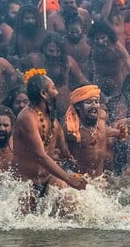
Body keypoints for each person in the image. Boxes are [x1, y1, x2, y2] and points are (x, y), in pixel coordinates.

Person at [13, 71, 87, 212]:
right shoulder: (27, 117)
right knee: (26, 226)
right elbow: (40, 156)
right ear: (43, 94)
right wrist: (68, 178)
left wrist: (65, 152)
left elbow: (58, 133)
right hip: (26, 182)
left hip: (48, 177)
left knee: (69, 204)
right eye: (53, 88)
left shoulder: (49, 113)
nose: (57, 92)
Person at [21, 33, 89, 118]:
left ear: (62, 51)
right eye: (51, 51)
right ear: (44, 49)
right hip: (40, 108)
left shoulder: (68, 62)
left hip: (63, 110)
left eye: (58, 51)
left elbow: (82, 81)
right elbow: (19, 73)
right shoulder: (34, 59)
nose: (54, 55)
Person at [65, 85, 126, 178]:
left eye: (96, 102)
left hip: (100, 180)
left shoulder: (102, 117)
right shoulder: (70, 128)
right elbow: (56, 151)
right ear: (78, 106)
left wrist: (118, 133)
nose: (94, 105)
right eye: (89, 102)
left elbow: (103, 131)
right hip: (81, 181)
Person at [89, 20, 130, 97]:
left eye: (103, 38)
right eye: (97, 39)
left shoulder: (117, 47)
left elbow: (128, 62)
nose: (100, 41)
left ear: (109, 35)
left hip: (117, 86)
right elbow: (95, 71)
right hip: (100, 84)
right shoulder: (93, 47)